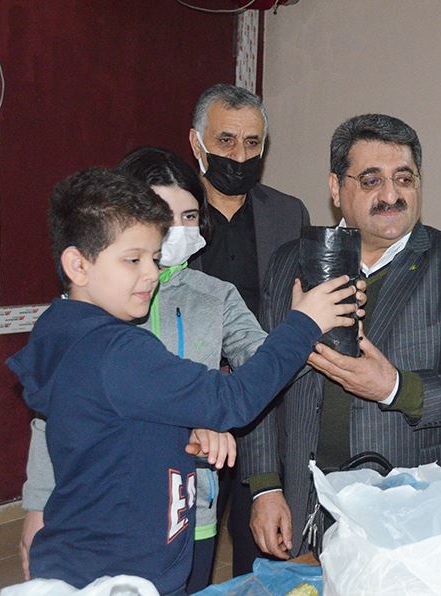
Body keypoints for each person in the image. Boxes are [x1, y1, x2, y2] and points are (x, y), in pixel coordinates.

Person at [7, 166, 359, 594]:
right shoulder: (117, 350)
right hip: (118, 573)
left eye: (154, 259)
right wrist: (304, 323)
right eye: (132, 260)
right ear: (78, 265)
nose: (151, 274)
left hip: (99, 553)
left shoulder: (65, 330)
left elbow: (108, 423)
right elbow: (233, 399)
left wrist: (179, 428)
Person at [244, 113, 441, 558]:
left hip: (418, 515)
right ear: (336, 188)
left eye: (404, 179)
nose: (391, 195)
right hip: (307, 502)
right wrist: (264, 485)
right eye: (371, 181)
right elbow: (258, 378)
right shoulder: (290, 263)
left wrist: (394, 387)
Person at [18, 148, 273, 592]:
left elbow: (257, 366)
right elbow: (53, 418)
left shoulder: (213, 295)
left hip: (191, 503)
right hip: (107, 512)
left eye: (189, 216)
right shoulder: (102, 304)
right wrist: (38, 504)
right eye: (163, 216)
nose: (177, 229)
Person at [188, 83, 309, 576]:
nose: (239, 156)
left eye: (252, 143)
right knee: (187, 554)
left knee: (262, 558)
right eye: (226, 141)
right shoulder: (167, 213)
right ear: (197, 143)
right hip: (194, 407)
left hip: (265, 405)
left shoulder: (288, 213)